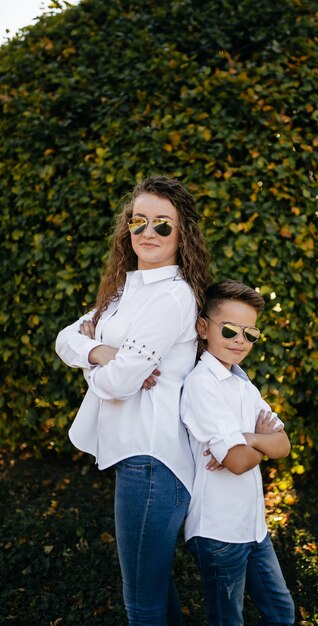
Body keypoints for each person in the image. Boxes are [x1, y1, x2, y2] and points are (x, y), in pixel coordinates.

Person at [55, 176, 211, 626]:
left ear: (183, 234)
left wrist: (104, 362)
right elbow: (66, 338)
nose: (148, 232)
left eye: (163, 224)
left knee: (141, 604)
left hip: (153, 461)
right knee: (155, 593)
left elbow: (120, 383)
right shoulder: (125, 290)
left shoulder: (173, 295)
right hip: (138, 458)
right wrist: (102, 353)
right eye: (138, 220)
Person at [181, 280, 295, 626]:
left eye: (250, 334)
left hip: (254, 528)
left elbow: (284, 445)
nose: (240, 340)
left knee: (282, 613)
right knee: (228, 621)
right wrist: (262, 439)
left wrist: (247, 437)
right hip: (218, 532)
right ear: (203, 328)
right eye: (229, 330)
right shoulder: (202, 385)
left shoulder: (244, 384)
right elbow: (238, 462)